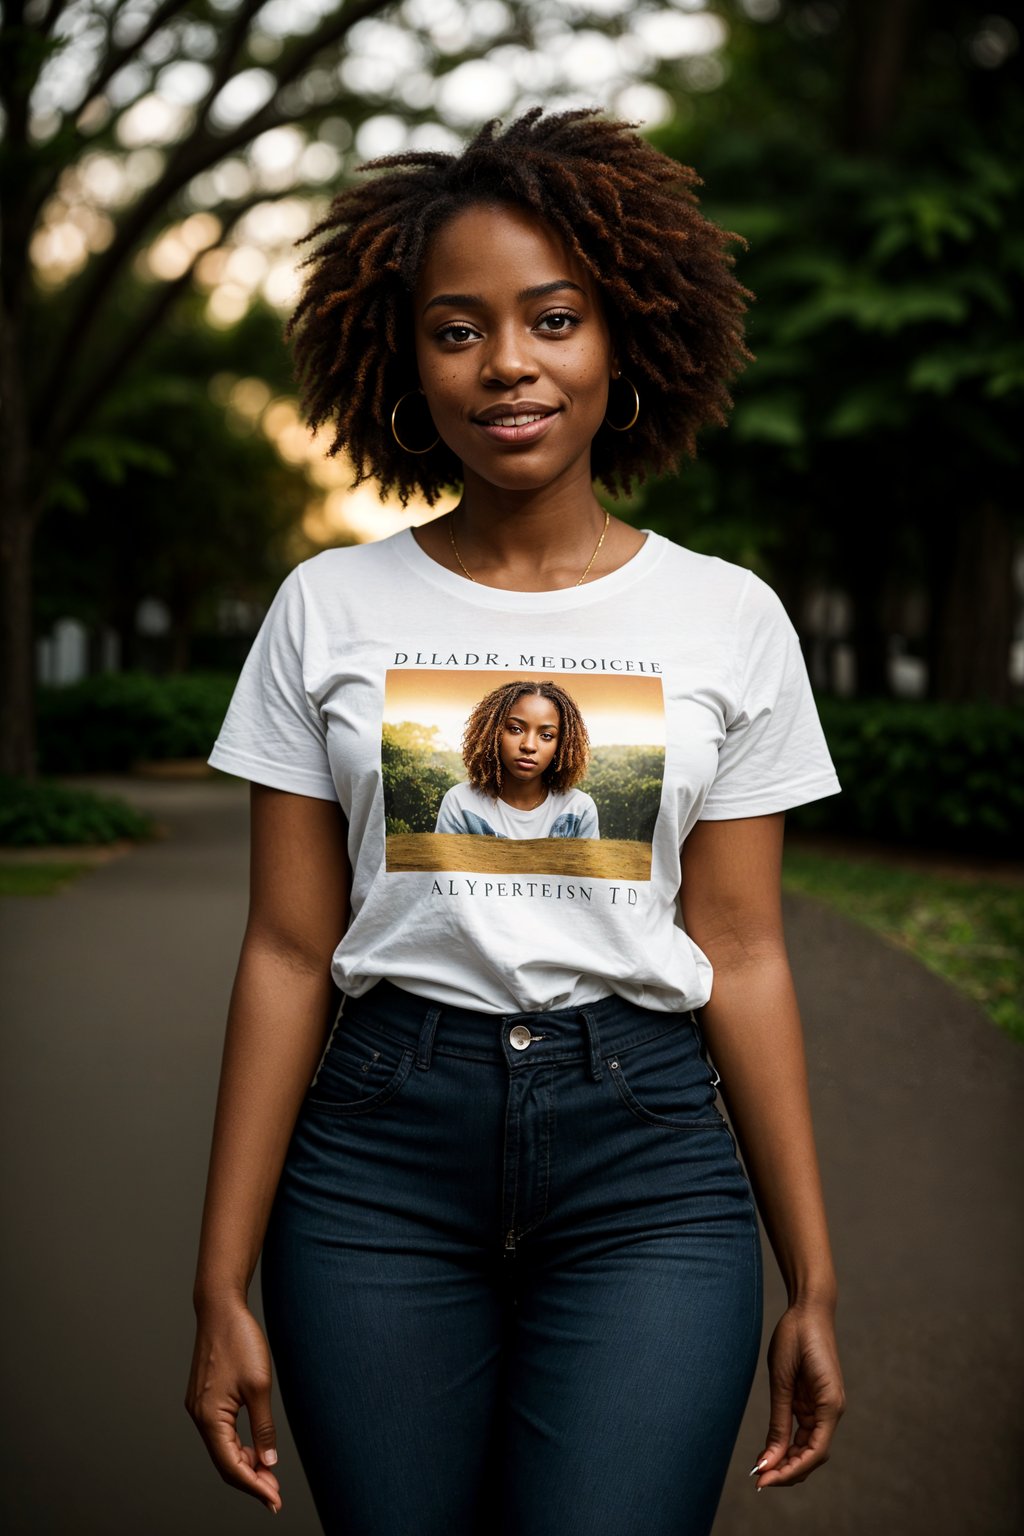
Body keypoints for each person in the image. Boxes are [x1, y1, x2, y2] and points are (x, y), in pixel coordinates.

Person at [186, 107, 846, 1535]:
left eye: (555, 317)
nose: (509, 366)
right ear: (403, 363)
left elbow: (741, 944)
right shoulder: (329, 608)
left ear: (627, 337)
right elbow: (292, 954)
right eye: (457, 328)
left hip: (651, 1164)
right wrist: (217, 1280)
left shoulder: (729, 618)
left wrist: (815, 1279)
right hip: (375, 1161)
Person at [434, 679, 600, 839]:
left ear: (562, 744)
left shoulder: (578, 808)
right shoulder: (461, 802)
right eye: (515, 729)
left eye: (546, 735)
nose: (529, 746)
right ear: (493, 733)